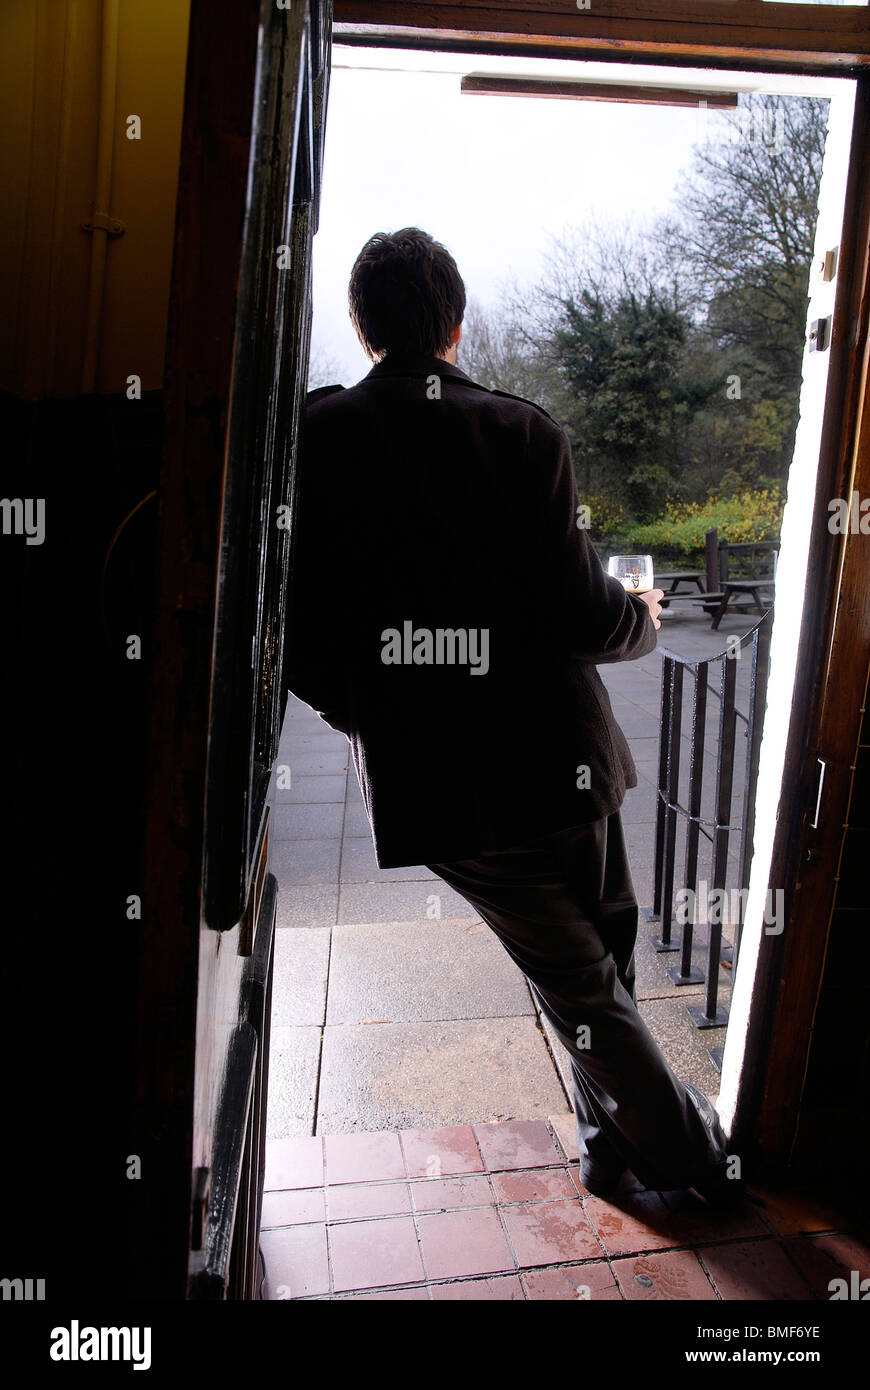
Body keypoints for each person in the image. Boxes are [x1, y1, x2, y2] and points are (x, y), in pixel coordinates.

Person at [285, 226, 741, 1204]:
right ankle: (696, 1158)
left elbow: (301, 637)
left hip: (444, 787)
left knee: (587, 976)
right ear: (456, 322)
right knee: (592, 972)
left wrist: (376, 716)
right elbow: (582, 613)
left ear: (364, 328)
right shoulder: (521, 432)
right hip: (562, 758)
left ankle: (611, 1144)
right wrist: (644, 621)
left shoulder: (319, 440)